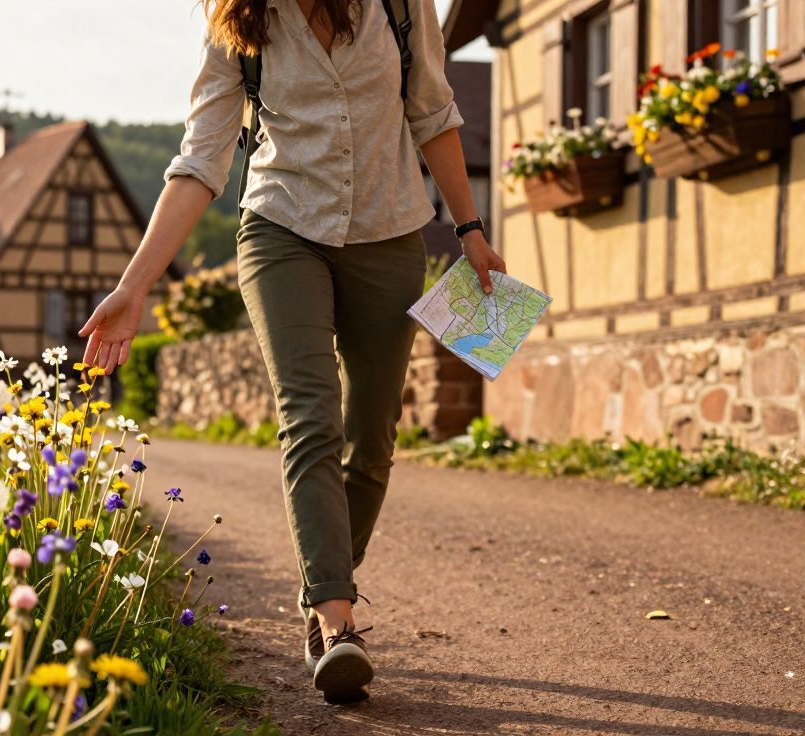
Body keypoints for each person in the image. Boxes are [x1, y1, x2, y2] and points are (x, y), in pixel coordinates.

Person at [78, 0, 504, 703]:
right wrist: (135, 284)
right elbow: (200, 157)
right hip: (280, 230)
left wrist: (472, 231)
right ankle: (336, 624)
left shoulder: (399, 7)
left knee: (372, 438)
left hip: (390, 233)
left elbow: (433, 112)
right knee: (311, 417)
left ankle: (321, 587)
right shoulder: (238, 22)